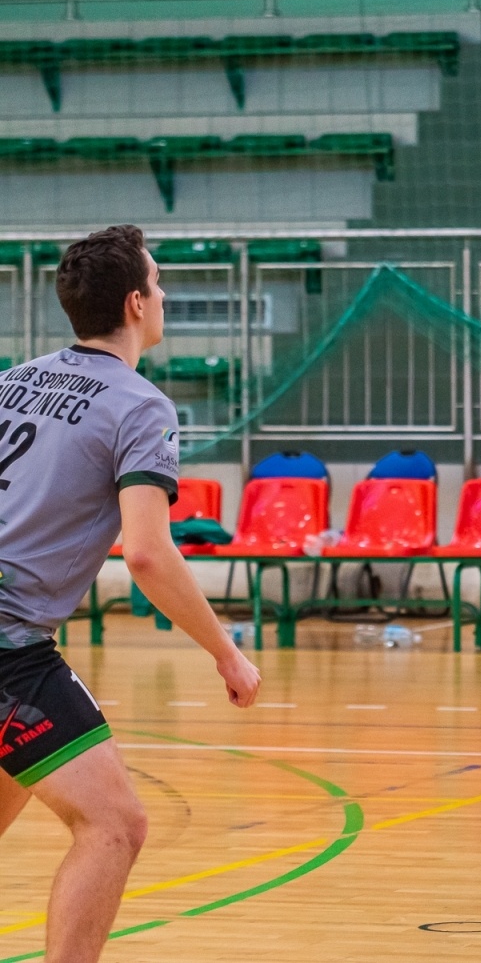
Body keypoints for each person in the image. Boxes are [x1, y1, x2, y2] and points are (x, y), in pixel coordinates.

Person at [0, 225, 261, 961]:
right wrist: (227, 655)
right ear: (136, 302)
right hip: (11, 648)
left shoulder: (11, 380)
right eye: (159, 281)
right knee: (115, 825)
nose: (166, 294)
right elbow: (146, 554)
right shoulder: (140, 406)